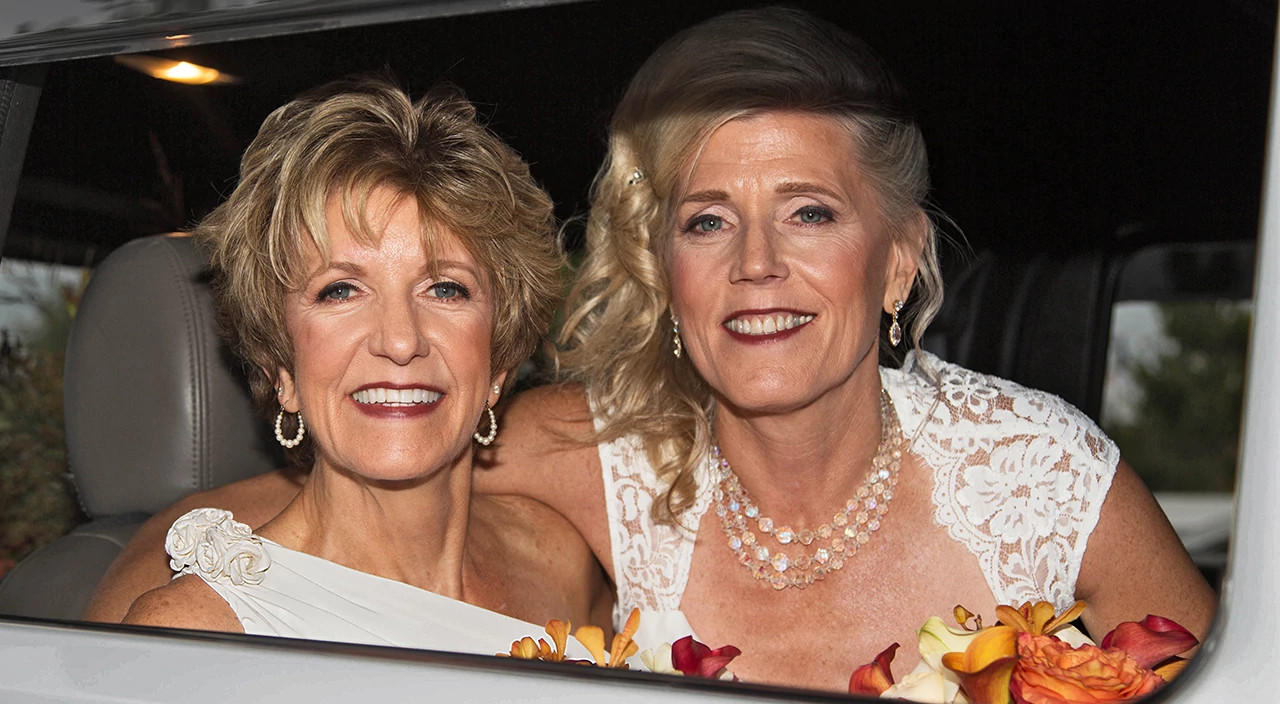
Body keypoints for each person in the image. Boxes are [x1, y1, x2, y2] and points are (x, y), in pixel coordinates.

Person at [96, 8, 1213, 691]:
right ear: (664, 268)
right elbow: (301, 503)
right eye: (708, 220)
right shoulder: (605, 452)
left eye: (809, 212)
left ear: (896, 260)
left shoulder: (1041, 474)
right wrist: (125, 655)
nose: (756, 264)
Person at [119, 76, 608, 654]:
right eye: (340, 291)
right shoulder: (198, 631)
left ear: (499, 360)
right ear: (280, 365)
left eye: (446, 289)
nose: (400, 341)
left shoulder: (560, 562)